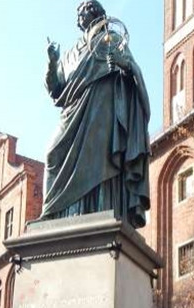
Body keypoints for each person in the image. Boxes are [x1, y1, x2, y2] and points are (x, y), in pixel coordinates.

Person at [42, 0, 150, 228]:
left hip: (102, 110)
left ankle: (98, 210)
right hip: (72, 111)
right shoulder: (71, 53)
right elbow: (56, 90)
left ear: (96, 13)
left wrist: (124, 65)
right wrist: (52, 63)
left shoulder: (111, 38)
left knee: (99, 160)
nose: (79, 17)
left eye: (83, 12)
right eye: (78, 14)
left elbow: (132, 71)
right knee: (52, 154)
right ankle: (54, 216)